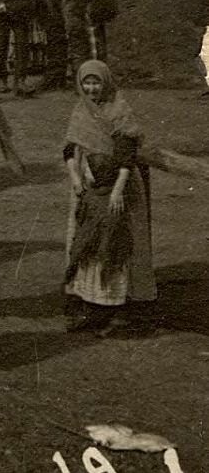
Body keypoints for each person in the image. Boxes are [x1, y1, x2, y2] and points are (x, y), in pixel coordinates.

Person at [62, 61, 155, 332]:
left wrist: (117, 191)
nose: (91, 89)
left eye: (96, 83)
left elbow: (127, 156)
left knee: (114, 242)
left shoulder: (119, 110)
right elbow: (69, 150)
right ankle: (90, 305)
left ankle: (117, 309)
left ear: (106, 83)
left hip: (118, 187)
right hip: (86, 186)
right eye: (86, 83)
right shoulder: (81, 110)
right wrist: (76, 179)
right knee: (86, 241)